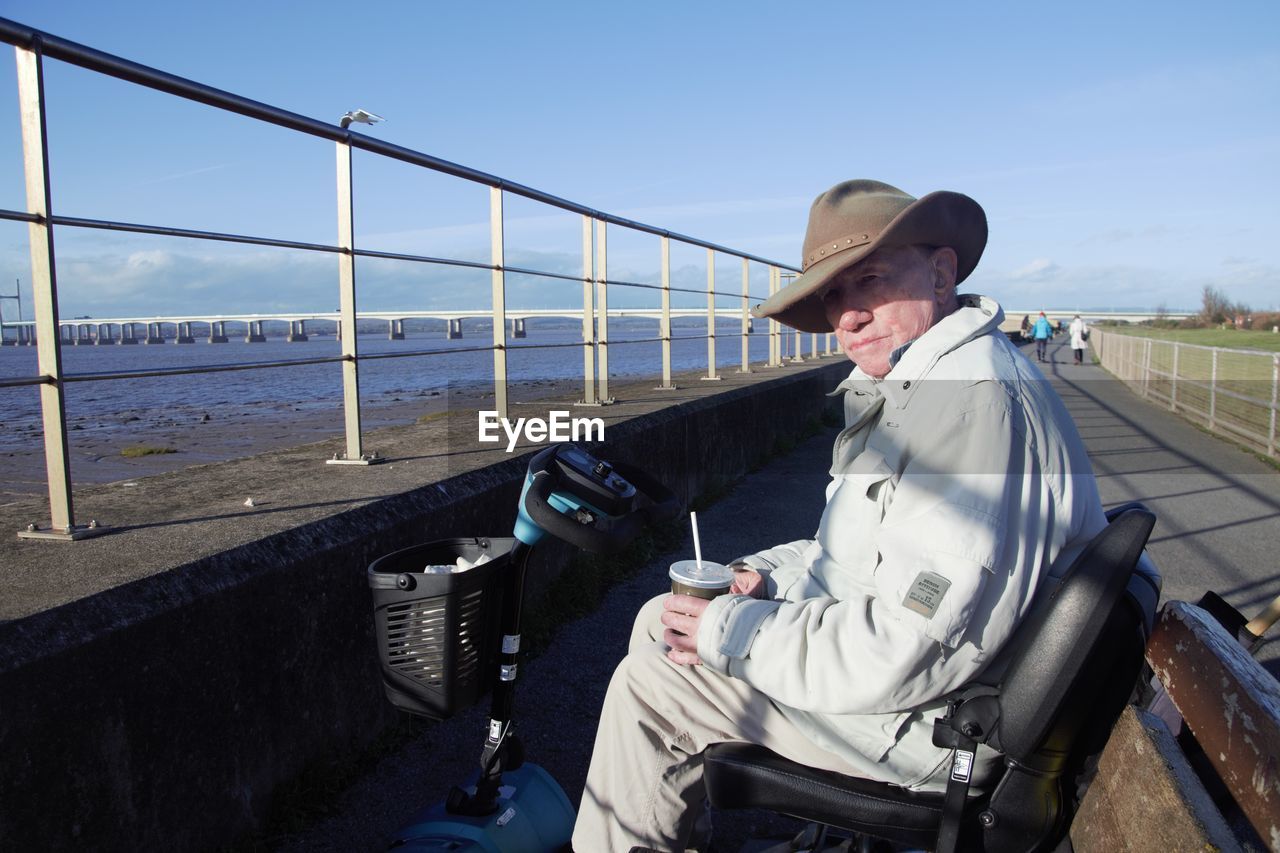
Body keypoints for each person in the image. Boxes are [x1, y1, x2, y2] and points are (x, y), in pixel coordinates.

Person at [572, 179, 1105, 853]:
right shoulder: (929, 389)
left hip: (939, 729)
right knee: (666, 621)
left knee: (652, 685)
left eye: (870, 280)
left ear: (942, 274)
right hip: (948, 693)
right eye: (832, 294)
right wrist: (755, 577)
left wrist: (734, 630)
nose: (846, 315)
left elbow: (907, 649)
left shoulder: (966, 408)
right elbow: (855, 559)